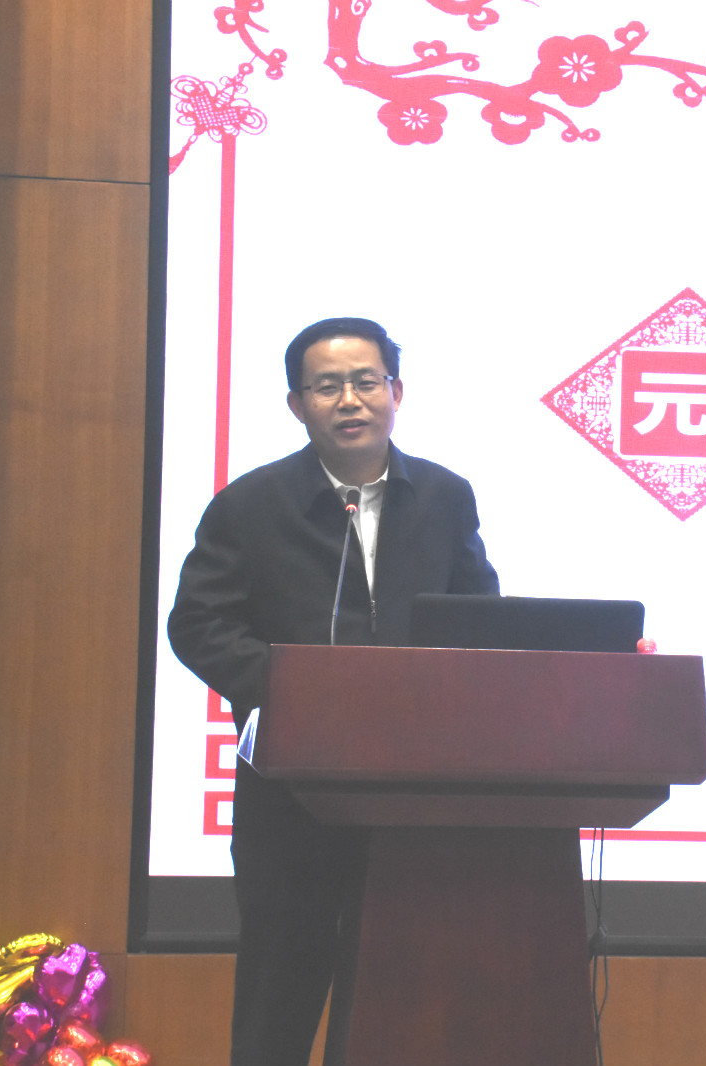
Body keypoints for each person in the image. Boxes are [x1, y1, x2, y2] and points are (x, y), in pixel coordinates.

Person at [167, 317, 500, 1064]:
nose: (350, 400)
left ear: (396, 392)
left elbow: (480, 617)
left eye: (365, 382)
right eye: (326, 386)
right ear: (297, 404)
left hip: (414, 794)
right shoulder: (251, 505)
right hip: (292, 793)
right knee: (279, 993)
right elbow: (198, 624)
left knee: (396, 993)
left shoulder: (444, 497)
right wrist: (295, 691)